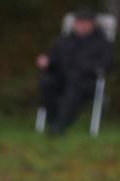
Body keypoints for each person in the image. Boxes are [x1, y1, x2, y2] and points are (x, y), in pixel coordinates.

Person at [36, 7, 113, 135]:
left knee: (74, 88)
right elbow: (54, 59)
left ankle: (59, 126)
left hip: (85, 79)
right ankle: (53, 120)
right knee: (46, 82)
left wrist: (85, 68)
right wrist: (47, 62)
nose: (81, 25)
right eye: (79, 22)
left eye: (85, 23)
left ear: (92, 25)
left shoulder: (102, 43)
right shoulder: (64, 40)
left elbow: (107, 64)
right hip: (62, 77)